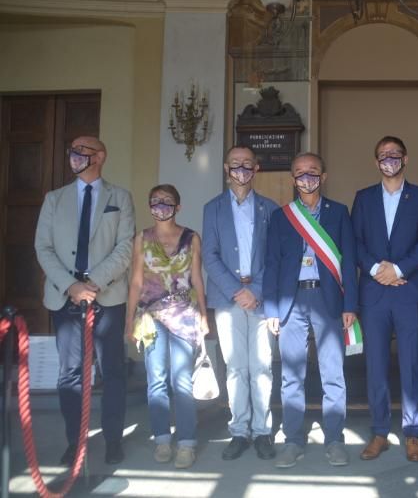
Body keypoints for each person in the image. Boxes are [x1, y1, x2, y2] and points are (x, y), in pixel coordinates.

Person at [34, 135, 134, 466]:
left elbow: (125, 247)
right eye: (72, 151)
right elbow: (43, 247)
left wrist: (93, 283)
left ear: (100, 157)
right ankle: (75, 443)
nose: (75, 156)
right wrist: (71, 286)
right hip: (65, 298)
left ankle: (113, 440)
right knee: (70, 374)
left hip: (108, 297)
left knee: (112, 371)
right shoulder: (54, 199)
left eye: (82, 151)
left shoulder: (120, 197)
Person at [263, 152, 358, 469]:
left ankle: (335, 440)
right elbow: (272, 264)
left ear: (323, 176)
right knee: (291, 376)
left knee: (333, 374)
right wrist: (272, 308)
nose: (307, 178)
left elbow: (348, 261)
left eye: (313, 172)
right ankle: (292, 441)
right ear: (293, 179)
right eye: (300, 173)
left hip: (327, 300)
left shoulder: (339, 212)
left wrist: (350, 304)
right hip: (290, 301)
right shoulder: (282, 216)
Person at [351, 136, 418, 462]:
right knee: (375, 365)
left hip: (408, 291)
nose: (389, 159)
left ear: (405, 159)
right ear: (376, 162)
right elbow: (355, 241)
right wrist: (377, 270)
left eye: (395, 154)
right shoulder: (364, 198)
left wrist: (399, 269)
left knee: (411, 363)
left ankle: (413, 433)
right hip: (374, 294)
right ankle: (379, 432)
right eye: (383, 155)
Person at [202, 145, 279, 461]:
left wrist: (255, 290)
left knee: (261, 366)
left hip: (260, 297)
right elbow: (209, 255)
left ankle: (262, 431)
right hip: (228, 297)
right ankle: (239, 430)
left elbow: (275, 256)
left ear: (256, 168)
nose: (241, 169)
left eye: (248, 164)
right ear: (226, 168)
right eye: (235, 164)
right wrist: (237, 291)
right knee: (235, 367)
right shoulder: (213, 208)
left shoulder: (270, 208)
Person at [125, 184, 209, 469]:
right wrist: (129, 321)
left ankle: (187, 443)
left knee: (182, 380)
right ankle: (161, 438)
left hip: (185, 314)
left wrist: (204, 316)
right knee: (157, 379)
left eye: (167, 201)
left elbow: (197, 279)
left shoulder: (191, 238)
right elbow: (136, 282)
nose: (161, 205)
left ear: (178, 206)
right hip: (150, 317)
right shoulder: (142, 238)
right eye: (156, 201)